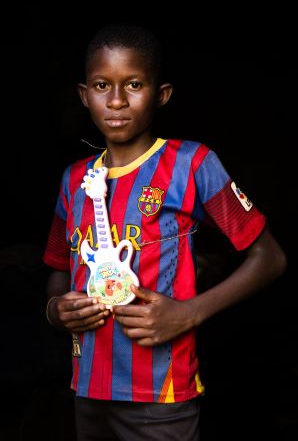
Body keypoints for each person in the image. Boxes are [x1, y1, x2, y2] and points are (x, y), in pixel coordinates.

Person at [43, 23, 287, 441]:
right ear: (85, 95)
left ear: (161, 94)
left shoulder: (192, 164)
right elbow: (58, 269)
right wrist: (54, 309)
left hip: (161, 397)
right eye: (102, 85)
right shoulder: (73, 180)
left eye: (133, 84)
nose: (116, 100)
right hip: (86, 389)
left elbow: (270, 259)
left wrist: (188, 312)